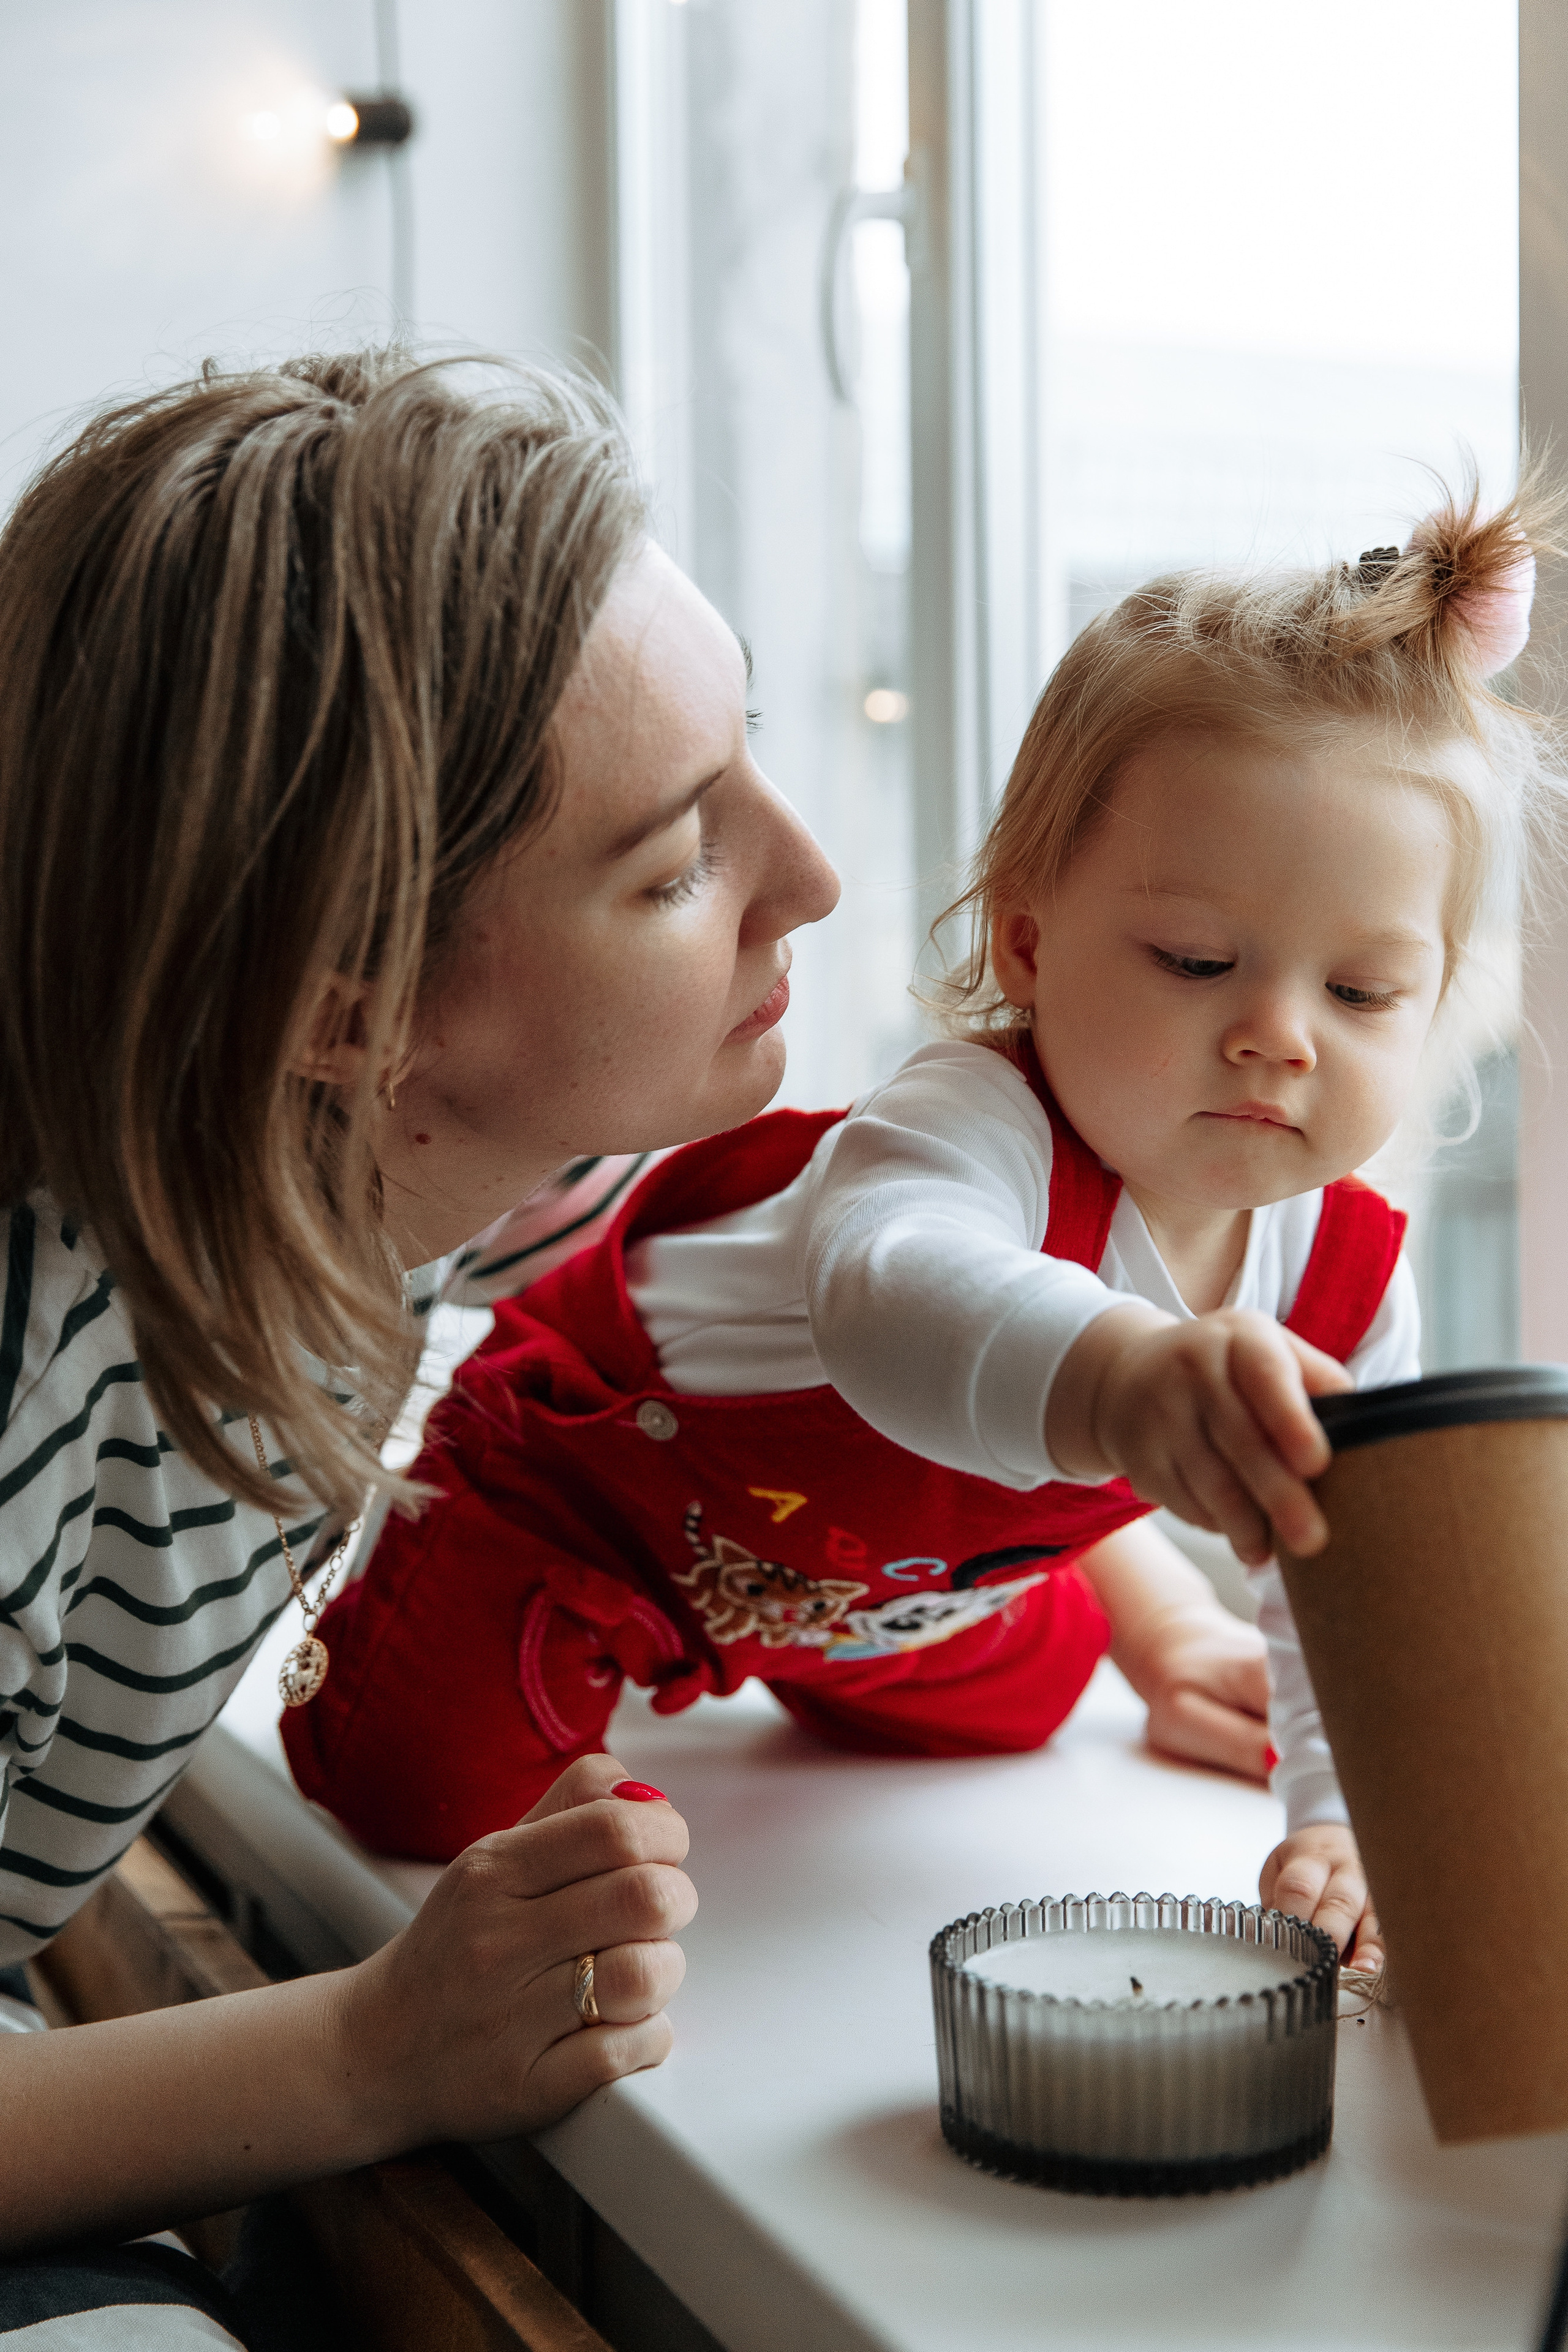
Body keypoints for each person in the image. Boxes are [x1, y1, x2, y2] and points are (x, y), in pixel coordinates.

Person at [285, 481, 1554, 1982]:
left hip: (872, 1594)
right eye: (1199, 960)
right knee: (419, 1782)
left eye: (1359, 994)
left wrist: (1340, 1814)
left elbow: (1339, 1573)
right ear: (1025, 940)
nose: (1277, 1037)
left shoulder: (1342, 1278)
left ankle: (1071, 1614)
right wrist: (1121, 1384)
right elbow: (899, 1298)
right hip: (591, 1501)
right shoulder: (966, 1123)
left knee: (1026, 1706)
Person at [0, 347, 839, 2343]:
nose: (809, 874)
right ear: (346, 1019)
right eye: (674, 861)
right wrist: (382, 2049)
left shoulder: (424, 1180)